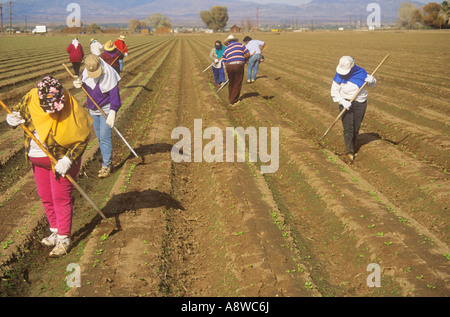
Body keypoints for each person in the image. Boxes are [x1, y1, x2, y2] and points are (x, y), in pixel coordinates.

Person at [5, 76, 92, 257]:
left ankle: (64, 238)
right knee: (46, 196)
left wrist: (68, 160)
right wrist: (11, 119)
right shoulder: (30, 99)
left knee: (61, 198)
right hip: (38, 161)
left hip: (60, 162)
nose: (52, 111)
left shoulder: (70, 106)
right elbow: (17, 112)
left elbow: (82, 137)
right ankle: (55, 230)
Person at [74, 54, 122, 178]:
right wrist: (80, 84)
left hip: (106, 109)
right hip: (93, 109)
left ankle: (107, 164)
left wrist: (112, 112)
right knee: (100, 138)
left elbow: (115, 96)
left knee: (105, 137)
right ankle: (106, 160)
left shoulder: (109, 74)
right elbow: (87, 86)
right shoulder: (87, 71)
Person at [331, 56, 377, 162]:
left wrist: (372, 80)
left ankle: (353, 146)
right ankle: (349, 151)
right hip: (346, 103)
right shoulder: (338, 77)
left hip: (360, 103)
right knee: (348, 129)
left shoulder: (361, 72)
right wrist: (342, 101)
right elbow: (334, 92)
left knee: (356, 128)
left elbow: (372, 84)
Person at [222, 35, 250, 106]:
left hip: (229, 66)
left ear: (228, 42)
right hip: (238, 65)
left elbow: (224, 62)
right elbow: (247, 54)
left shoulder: (226, 49)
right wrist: (245, 60)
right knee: (237, 83)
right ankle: (233, 101)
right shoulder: (241, 45)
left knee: (231, 83)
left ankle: (230, 98)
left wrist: (227, 70)